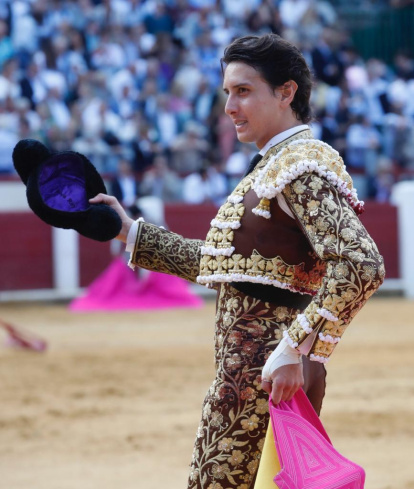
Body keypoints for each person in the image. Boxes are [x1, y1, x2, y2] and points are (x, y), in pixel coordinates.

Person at [90, 33, 385, 489]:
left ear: (286, 93)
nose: (229, 106)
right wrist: (130, 230)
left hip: (267, 381)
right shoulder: (274, 165)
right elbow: (226, 266)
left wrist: (294, 349)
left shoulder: (300, 167)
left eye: (243, 91)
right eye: (227, 92)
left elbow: (362, 264)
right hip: (250, 379)